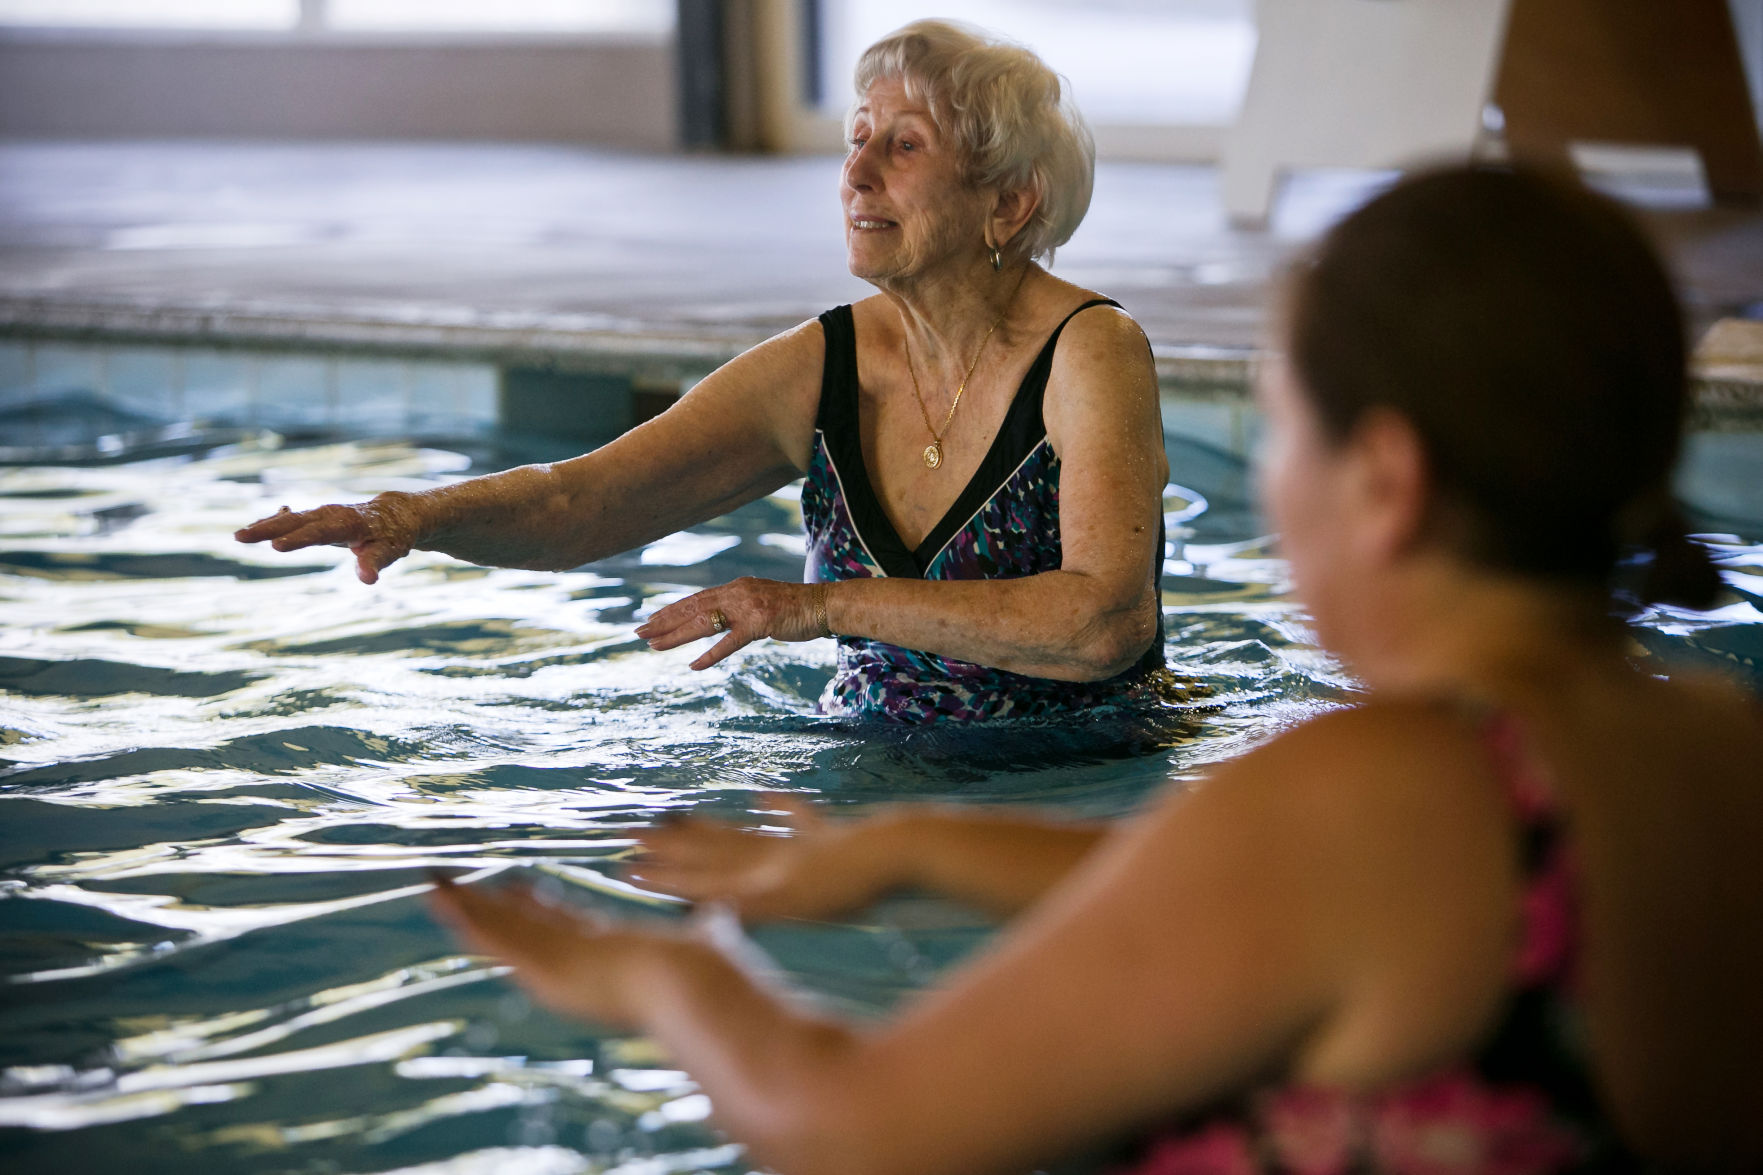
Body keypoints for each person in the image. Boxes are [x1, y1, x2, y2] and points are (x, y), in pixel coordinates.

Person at [429, 164, 1763, 1174]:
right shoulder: (1702, 738)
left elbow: (856, 1123)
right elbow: (1291, 908)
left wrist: (660, 975)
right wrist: (928, 845)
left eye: (1280, 427)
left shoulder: (1371, 787)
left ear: (1385, 482)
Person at [235, 20, 1172, 724]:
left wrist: (815, 608)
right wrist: (412, 517)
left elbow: (1103, 622)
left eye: (905, 144)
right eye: (855, 137)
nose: (855, 175)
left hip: (1079, 785)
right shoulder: (825, 363)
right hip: (870, 770)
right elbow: (582, 501)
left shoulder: (1089, 351)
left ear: (1008, 201)